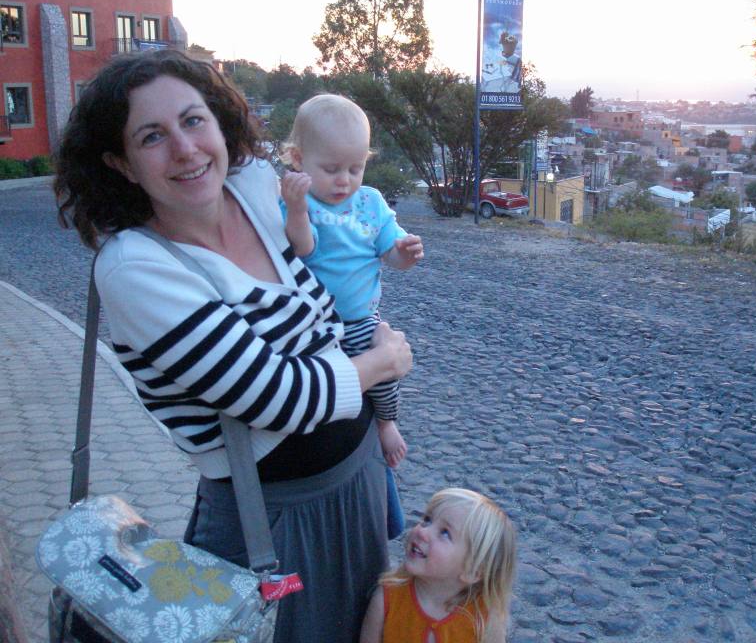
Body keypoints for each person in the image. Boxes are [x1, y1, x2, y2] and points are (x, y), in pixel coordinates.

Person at [53, 50, 412, 643]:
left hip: (360, 482)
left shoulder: (252, 188)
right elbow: (276, 400)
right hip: (272, 524)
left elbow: (321, 307)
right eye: (152, 137)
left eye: (194, 121)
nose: (186, 148)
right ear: (120, 162)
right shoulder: (137, 268)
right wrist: (381, 363)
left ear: (219, 123)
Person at [279, 94, 423, 537]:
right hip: (313, 322)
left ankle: (387, 422)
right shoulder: (298, 201)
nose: (344, 181)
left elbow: (390, 254)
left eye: (354, 169)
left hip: (359, 317)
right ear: (299, 160)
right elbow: (301, 249)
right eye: (331, 169)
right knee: (330, 385)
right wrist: (299, 208)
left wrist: (404, 252)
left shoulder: (371, 203)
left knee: (381, 371)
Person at [359, 488, 517, 643]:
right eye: (427, 520)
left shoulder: (485, 617)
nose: (422, 532)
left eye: (445, 533)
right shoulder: (387, 599)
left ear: (472, 571)